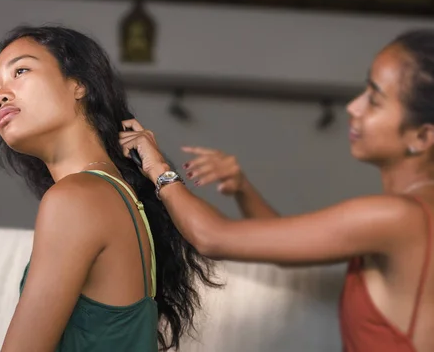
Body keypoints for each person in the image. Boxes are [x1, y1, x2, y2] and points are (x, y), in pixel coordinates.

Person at [119, 29, 434, 352]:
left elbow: (212, 237)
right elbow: (284, 251)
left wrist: (156, 167)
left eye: (375, 99)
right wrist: (243, 188)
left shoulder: (395, 217)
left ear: (422, 137)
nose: (354, 107)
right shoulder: (413, 215)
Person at [0, 25, 217, 352]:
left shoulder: (76, 199)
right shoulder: (117, 196)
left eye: (20, 71)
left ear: (78, 84)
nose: (0, 94)